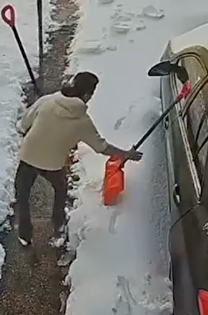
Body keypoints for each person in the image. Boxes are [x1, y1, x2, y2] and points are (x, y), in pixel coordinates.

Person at [14, 72, 143, 247]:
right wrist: (126, 154)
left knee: (22, 194)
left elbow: (22, 126)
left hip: (28, 156)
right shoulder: (83, 121)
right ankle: (59, 226)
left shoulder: (47, 100)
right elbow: (102, 147)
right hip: (52, 163)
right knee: (60, 189)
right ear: (87, 94)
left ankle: (24, 234)